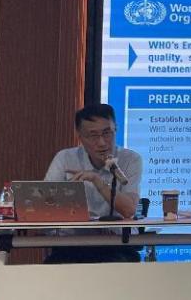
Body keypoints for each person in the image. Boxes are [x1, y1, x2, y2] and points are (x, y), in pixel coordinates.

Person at [43, 103, 143, 263]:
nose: (102, 142)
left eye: (107, 133)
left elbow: (128, 210)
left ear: (116, 129)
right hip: (72, 245)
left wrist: (97, 181)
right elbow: (44, 204)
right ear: (80, 137)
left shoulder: (130, 159)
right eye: (93, 135)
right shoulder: (65, 158)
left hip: (117, 245)